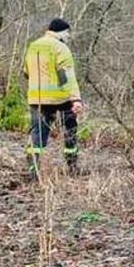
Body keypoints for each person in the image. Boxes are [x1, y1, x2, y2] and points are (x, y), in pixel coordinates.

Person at [25, 18, 84, 177]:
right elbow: (67, 76)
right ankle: (72, 167)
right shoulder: (60, 48)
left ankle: (33, 172)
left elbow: (26, 72)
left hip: (36, 98)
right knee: (70, 129)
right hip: (60, 97)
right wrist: (76, 99)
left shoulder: (33, 46)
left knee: (37, 135)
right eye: (67, 33)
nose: (68, 36)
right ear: (62, 32)